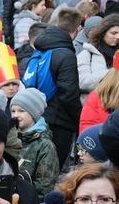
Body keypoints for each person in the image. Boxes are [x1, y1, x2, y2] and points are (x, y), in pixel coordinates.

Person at [28, 10, 84, 163]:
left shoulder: (42, 46)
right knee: (55, 167)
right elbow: (68, 94)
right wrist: (79, 118)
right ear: (76, 30)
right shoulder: (66, 54)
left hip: (38, 114)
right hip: (59, 120)